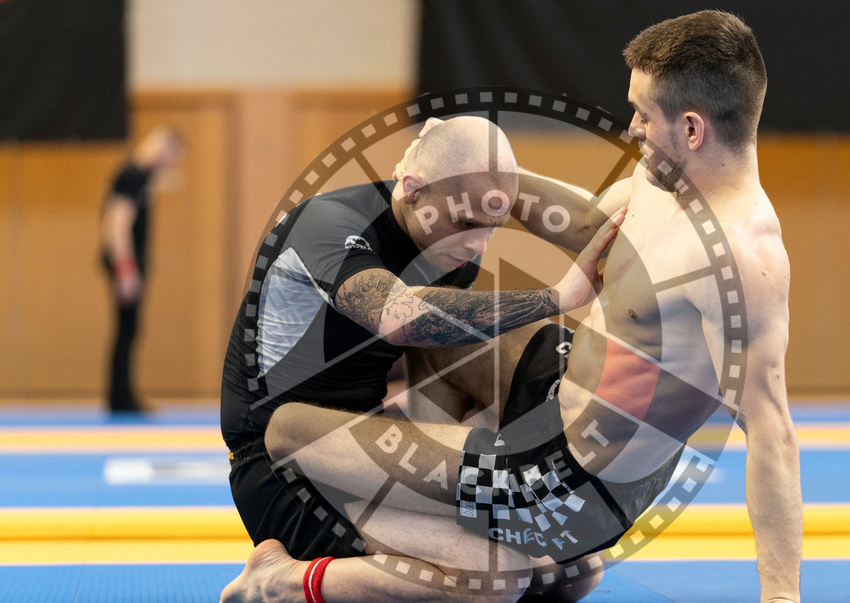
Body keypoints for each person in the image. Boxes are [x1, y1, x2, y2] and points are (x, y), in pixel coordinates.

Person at [220, 11, 850, 603]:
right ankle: (330, 551)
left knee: (539, 575)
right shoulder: (652, 185)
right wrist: (477, 193)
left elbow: (772, 425)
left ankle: (342, 551)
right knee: (504, 568)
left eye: (643, 114)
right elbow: (525, 229)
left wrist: (781, 593)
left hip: (564, 475)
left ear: (692, 129)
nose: (632, 128)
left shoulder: (740, 259)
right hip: (468, 437)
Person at [220, 116, 620, 568]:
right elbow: (397, 317)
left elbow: (591, 223)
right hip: (282, 462)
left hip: (362, 446)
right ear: (412, 188)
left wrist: (483, 162)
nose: (478, 245)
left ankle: (475, 482)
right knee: (491, 580)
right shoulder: (328, 223)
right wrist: (556, 297)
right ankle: (277, 580)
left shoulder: (449, 250)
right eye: (466, 222)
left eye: (494, 225)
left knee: (574, 572)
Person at [101, 126, 185, 413]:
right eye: (171, 159)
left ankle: (121, 395)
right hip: (127, 262)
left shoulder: (139, 175)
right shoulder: (131, 176)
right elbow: (117, 224)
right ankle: (120, 398)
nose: (169, 167)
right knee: (127, 328)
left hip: (129, 262)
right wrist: (125, 267)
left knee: (130, 328)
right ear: (164, 149)